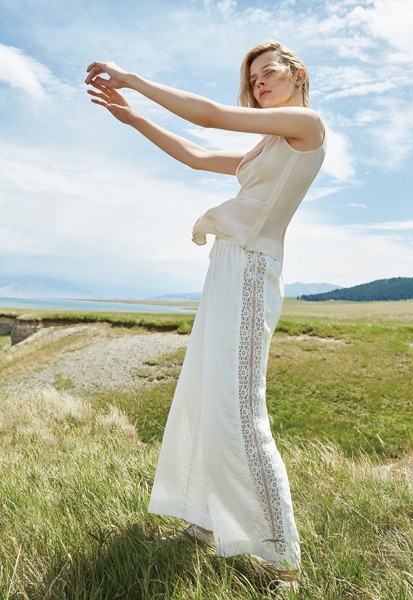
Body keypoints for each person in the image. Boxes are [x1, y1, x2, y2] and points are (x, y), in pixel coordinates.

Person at [85, 39, 326, 594]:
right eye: (254, 78)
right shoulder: (269, 144)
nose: (260, 83)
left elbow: (212, 116)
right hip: (228, 267)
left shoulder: (307, 125)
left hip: (252, 270)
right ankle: (204, 518)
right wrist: (134, 119)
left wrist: (132, 78)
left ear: (297, 75)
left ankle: (282, 557)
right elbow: (196, 155)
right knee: (206, 393)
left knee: (241, 407)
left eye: (270, 72)